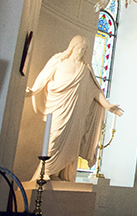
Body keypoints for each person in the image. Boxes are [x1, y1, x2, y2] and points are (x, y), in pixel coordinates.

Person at [27, 35, 124, 181]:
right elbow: (43, 77)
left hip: (76, 113)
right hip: (59, 108)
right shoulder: (59, 61)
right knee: (54, 138)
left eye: (84, 50)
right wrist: (33, 90)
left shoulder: (85, 69)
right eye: (79, 48)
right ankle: (46, 170)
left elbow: (95, 91)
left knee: (71, 145)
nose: (80, 52)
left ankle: (59, 174)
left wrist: (108, 105)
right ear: (72, 47)